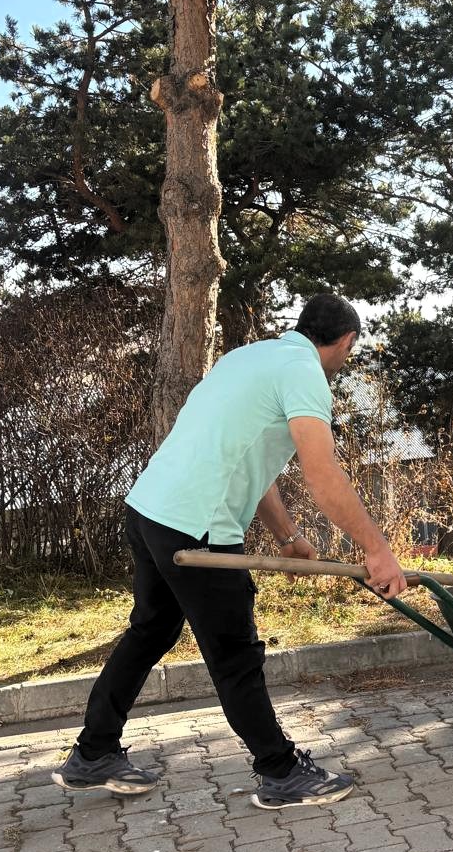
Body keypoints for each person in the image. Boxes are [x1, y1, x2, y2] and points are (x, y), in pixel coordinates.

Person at [53, 293, 409, 808]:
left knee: (151, 630)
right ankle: (280, 771)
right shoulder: (305, 373)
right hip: (196, 528)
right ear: (347, 341)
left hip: (150, 511)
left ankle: (93, 753)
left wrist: (288, 538)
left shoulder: (248, 358)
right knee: (234, 654)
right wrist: (377, 549)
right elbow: (322, 472)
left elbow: (244, 456)